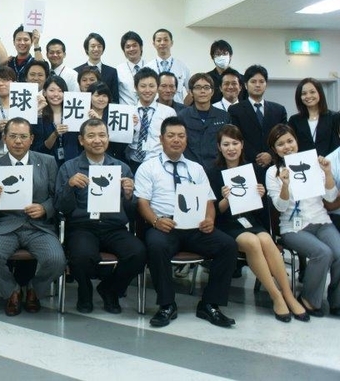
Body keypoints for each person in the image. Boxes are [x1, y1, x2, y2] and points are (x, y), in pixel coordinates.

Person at [134, 116, 238, 327]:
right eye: (171, 136)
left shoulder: (196, 168)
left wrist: (209, 219)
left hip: (194, 226)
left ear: (186, 139)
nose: (176, 140)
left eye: (181, 136)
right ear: (161, 139)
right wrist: (156, 221)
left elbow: (209, 200)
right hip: (164, 225)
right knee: (156, 246)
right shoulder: (148, 167)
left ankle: (209, 304)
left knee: (228, 245)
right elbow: (142, 202)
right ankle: (167, 305)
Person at [207, 124, 309, 322]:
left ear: (242, 144)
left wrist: (261, 196)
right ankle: (276, 296)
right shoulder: (212, 172)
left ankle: (288, 295)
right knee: (253, 242)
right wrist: (226, 199)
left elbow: (261, 210)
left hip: (251, 221)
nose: (231, 148)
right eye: (226, 144)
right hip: (227, 224)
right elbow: (214, 212)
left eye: (235, 143)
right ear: (219, 147)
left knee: (265, 239)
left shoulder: (253, 169)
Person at [54, 118, 146, 314]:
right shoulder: (69, 168)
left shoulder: (122, 168)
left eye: (102, 135)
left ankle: (110, 289)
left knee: (138, 253)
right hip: (83, 226)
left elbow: (132, 212)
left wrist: (129, 196)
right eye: (91, 136)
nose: (97, 140)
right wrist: (69, 186)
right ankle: (84, 290)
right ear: (81, 140)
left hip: (114, 227)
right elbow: (61, 208)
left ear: (108, 138)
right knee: (81, 255)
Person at [0, 117, 66, 316]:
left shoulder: (47, 162)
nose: (18, 141)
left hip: (38, 227)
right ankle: (12, 290)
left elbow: (57, 198)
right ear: (4, 138)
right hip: (5, 227)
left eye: (23, 136)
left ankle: (34, 289)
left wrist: (44, 208)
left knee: (57, 260)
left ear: (31, 139)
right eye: (13, 136)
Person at [266, 124, 340, 317]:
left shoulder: (313, 163)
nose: (287, 146)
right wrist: (285, 185)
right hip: (293, 228)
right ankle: (309, 299)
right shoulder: (273, 172)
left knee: (339, 252)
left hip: (321, 221)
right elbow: (280, 207)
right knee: (323, 253)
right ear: (274, 149)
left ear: (296, 141)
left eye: (290, 141)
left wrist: (327, 172)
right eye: (280, 144)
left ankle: (337, 300)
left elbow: (331, 197)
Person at [228, 65, 287, 183]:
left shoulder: (279, 110)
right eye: (253, 81)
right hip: (247, 166)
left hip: (275, 166)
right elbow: (236, 138)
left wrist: (270, 155)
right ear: (245, 85)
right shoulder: (235, 110)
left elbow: (284, 137)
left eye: (261, 81)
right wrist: (258, 158)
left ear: (266, 84)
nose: (257, 85)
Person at [125, 68, 176, 172]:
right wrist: (129, 128)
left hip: (159, 162)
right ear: (136, 87)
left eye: (152, 86)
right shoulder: (127, 111)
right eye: (143, 86)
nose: (147, 90)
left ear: (157, 88)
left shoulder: (168, 112)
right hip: (132, 162)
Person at [179, 73, 229, 167]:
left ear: (212, 92)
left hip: (218, 167)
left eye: (206, 87)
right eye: (198, 87)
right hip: (191, 167)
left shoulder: (224, 116)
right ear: (191, 92)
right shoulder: (182, 116)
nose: (202, 91)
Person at [32, 76, 79, 166]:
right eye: (52, 90)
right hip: (47, 164)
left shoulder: (74, 113)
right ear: (44, 92)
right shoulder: (39, 116)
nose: (56, 94)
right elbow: (38, 149)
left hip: (71, 163)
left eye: (60, 91)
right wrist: (54, 134)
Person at [288, 77, 340, 157]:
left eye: (312, 92)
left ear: (319, 93)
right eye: (304, 93)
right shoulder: (294, 120)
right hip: (304, 163)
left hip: (330, 162)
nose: (308, 96)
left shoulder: (334, 117)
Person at [74, 33, 119, 102]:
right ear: (87, 49)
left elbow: (115, 98)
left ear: (103, 49)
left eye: (99, 46)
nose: (96, 49)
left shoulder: (112, 72)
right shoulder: (76, 71)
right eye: (93, 46)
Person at [149, 29, 190, 104]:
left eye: (166, 40)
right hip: (154, 109)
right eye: (159, 40)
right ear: (154, 44)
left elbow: (191, 92)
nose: (162, 43)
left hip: (176, 110)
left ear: (171, 43)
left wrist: (183, 107)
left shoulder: (182, 67)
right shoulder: (148, 68)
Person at [116, 31, 146, 106]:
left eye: (134, 45)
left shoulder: (151, 67)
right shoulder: (118, 70)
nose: (131, 49)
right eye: (128, 47)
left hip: (148, 110)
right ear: (124, 50)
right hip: (126, 111)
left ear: (141, 47)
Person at [205, 40, 235, 104]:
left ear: (230, 56)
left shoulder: (239, 78)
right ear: (212, 57)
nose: (221, 57)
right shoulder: (206, 78)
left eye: (225, 53)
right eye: (218, 54)